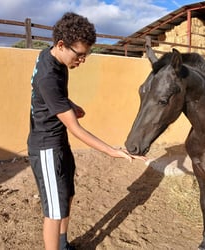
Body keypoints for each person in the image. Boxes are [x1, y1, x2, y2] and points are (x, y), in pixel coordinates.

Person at [27, 12, 143, 250]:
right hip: (46, 147)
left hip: (58, 141)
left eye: (85, 55)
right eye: (79, 55)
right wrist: (111, 151)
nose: (82, 60)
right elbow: (76, 128)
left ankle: (63, 243)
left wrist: (70, 104)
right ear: (61, 45)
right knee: (54, 212)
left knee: (66, 195)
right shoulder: (49, 76)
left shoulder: (53, 58)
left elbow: (52, 97)